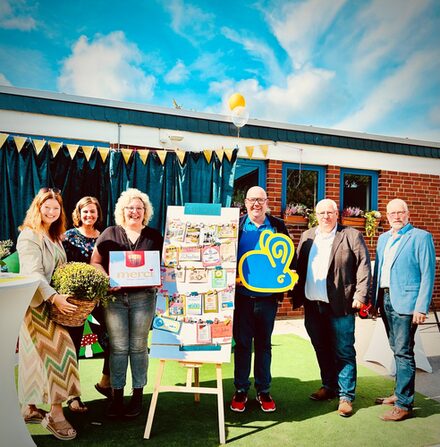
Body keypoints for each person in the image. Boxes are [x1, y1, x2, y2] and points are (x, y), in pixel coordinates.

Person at [293, 199, 371, 417]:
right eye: (321, 213)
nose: (325, 216)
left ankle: (346, 396)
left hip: (340, 305)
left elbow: (364, 265)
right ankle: (329, 386)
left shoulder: (351, 235)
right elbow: (297, 264)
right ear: (315, 215)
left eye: (330, 212)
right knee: (321, 347)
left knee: (344, 350)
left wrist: (361, 295)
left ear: (337, 214)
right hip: (312, 304)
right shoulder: (308, 236)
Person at [91, 188, 163, 419]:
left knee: (139, 347)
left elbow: (164, 265)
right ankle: (116, 397)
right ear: (122, 210)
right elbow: (95, 261)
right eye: (130, 208)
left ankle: (138, 396)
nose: (134, 212)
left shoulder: (154, 235)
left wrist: (158, 279)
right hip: (114, 300)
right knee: (119, 347)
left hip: (144, 299)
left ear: (145, 212)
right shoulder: (110, 233)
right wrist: (105, 279)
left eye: (139, 208)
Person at [16, 187, 80, 441]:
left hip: (51, 304)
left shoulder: (54, 236)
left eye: (56, 208)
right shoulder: (29, 236)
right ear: (38, 207)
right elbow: (33, 273)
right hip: (36, 305)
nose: (52, 212)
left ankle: (30, 407)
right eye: (47, 207)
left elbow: (59, 271)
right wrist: (54, 296)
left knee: (35, 356)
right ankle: (55, 413)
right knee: (60, 352)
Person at [372, 198, 435, 421]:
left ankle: (404, 404)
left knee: (404, 352)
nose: (397, 217)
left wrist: (421, 307)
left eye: (401, 212)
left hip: (407, 304)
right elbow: (378, 271)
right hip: (386, 299)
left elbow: (428, 274)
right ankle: (399, 393)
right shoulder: (383, 239)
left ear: (407, 214)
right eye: (392, 213)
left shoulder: (421, 237)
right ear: (387, 216)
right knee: (396, 348)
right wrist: (375, 300)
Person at [230, 186, 292, 413]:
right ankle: (241, 390)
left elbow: (288, 258)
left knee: (264, 345)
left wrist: (286, 280)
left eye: (260, 200)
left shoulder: (277, 226)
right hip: (242, 298)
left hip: (267, 300)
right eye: (252, 200)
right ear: (245, 202)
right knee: (243, 345)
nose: (256, 204)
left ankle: (264, 390)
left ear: (267, 202)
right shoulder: (236, 226)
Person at [62, 196, 112, 413]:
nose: (89, 216)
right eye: (85, 212)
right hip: (76, 301)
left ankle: (105, 383)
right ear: (78, 214)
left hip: (100, 299)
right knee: (72, 346)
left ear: (98, 213)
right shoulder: (69, 236)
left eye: (93, 212)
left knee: (113, 339)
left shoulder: (104, 237)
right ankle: (73, 397)